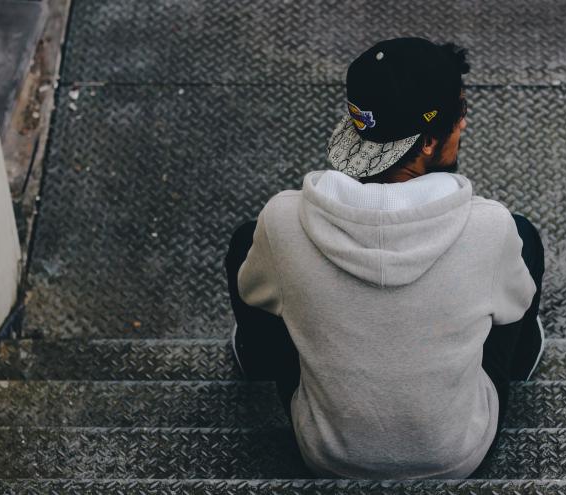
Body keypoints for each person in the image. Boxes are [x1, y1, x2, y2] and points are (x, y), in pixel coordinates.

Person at [224, 37, 545, 480]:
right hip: (455, 455)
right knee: (526, 240)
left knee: (248, 245)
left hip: (326, 453)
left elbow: (252, 291)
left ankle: (254, 357)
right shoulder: (490, 228)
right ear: (431, 140)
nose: (464, 125)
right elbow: (515, 306)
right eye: (462, 113)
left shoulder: (281, 221)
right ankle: (524, 358)